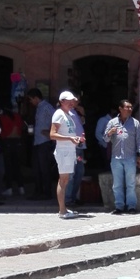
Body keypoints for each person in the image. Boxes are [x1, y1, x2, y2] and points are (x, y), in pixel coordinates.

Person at [105, 100, 140, 214]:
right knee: (117, 184)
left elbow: (139, 140)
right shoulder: (112, 122)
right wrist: (109, 133)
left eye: (131, 107)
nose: (130, 110)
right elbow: (105, 139)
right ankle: (119, 206)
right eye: (127, 107)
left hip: (130, 158)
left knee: (130, 184)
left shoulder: (135, 123)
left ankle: (131, 206)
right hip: (116, 158)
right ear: (120, 109)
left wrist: (139, 155)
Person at [50, 90, 85, 218]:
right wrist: (70, 139)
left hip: (69, 150)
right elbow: (52, 134)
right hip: (63, 151)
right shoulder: (59, 114)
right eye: (68, 101)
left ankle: (64, 208)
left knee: (66, 180)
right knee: (63, 180)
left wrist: (76, 139)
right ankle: (62, 210)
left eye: (72, 101)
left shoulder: (68, 114)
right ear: (62, 102)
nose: (71, 103)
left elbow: (68, 134)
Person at [27, 88, 55, 199]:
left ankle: (47, 192)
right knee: (37, 168)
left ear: (36, 98)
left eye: (31, 99)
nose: (30, 102)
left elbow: (57, 119)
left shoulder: (47, 107)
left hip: (44, 142)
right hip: (37, 141)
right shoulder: (38, 108)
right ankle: (38, 191)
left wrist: (50, 132)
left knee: (44, 168)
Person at [0, 105, 26, 197]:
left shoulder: (2, 117)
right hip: (17, 142)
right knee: (17, 166)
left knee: (8, 166)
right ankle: (21, 187)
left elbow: (2, 131)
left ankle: (9, 188)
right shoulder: (17, 116)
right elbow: (21, 128)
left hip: (7, 142)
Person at [65, 103, 86, 209]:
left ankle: (72, 197)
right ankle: (67, 199)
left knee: (79, 172)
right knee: (71, 174)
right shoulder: (64, 112)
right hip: (71, 148)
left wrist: (82, 114)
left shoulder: (76, 112)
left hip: (79, 148)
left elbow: (82, 124)